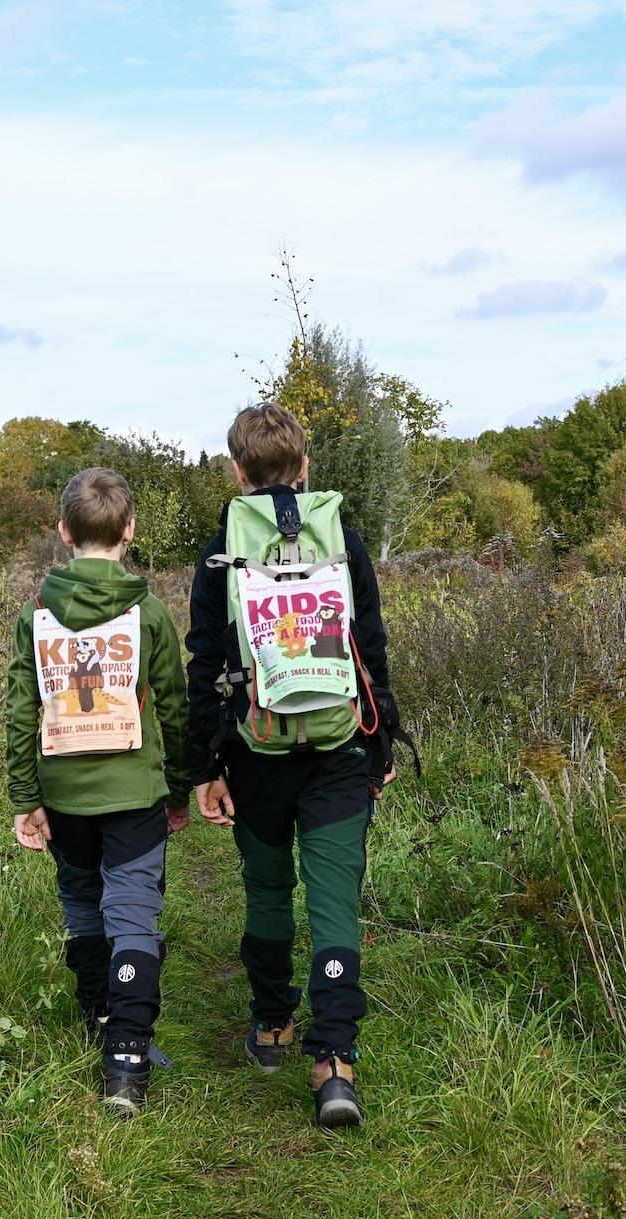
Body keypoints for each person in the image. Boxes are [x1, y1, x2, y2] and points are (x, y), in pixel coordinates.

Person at [186, 401, 398, 1129]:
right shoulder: (344, 540)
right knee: (336, 900)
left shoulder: (222, 551)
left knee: (269, 884)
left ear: (237, 471)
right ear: (306, 468)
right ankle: (334, 1062)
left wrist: (205, 764)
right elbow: (369, 644)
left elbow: (207, 664)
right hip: (340, 745)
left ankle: (273, 1021)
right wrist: (383, 741)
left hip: (256, 749)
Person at [7, 466, 190, 1116]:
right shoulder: (148, 612)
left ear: (63, 532)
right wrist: (180, 790)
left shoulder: (36, 614)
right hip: (135, 791)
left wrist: (26, 797)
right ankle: (126, 1063)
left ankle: (97, 1023)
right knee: (133, 914)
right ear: (130, 530)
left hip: (63, 793)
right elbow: (175, 703)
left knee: (84, 909)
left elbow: (20, 709)